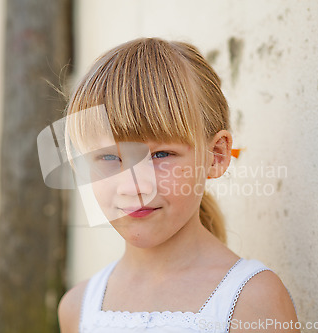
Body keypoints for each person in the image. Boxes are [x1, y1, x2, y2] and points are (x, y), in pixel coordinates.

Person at [58, 37, 300, 333]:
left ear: (216, 155)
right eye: (109, 157)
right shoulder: (77, 308)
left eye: (161, 155)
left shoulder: (252, 302)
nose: (133, 187)